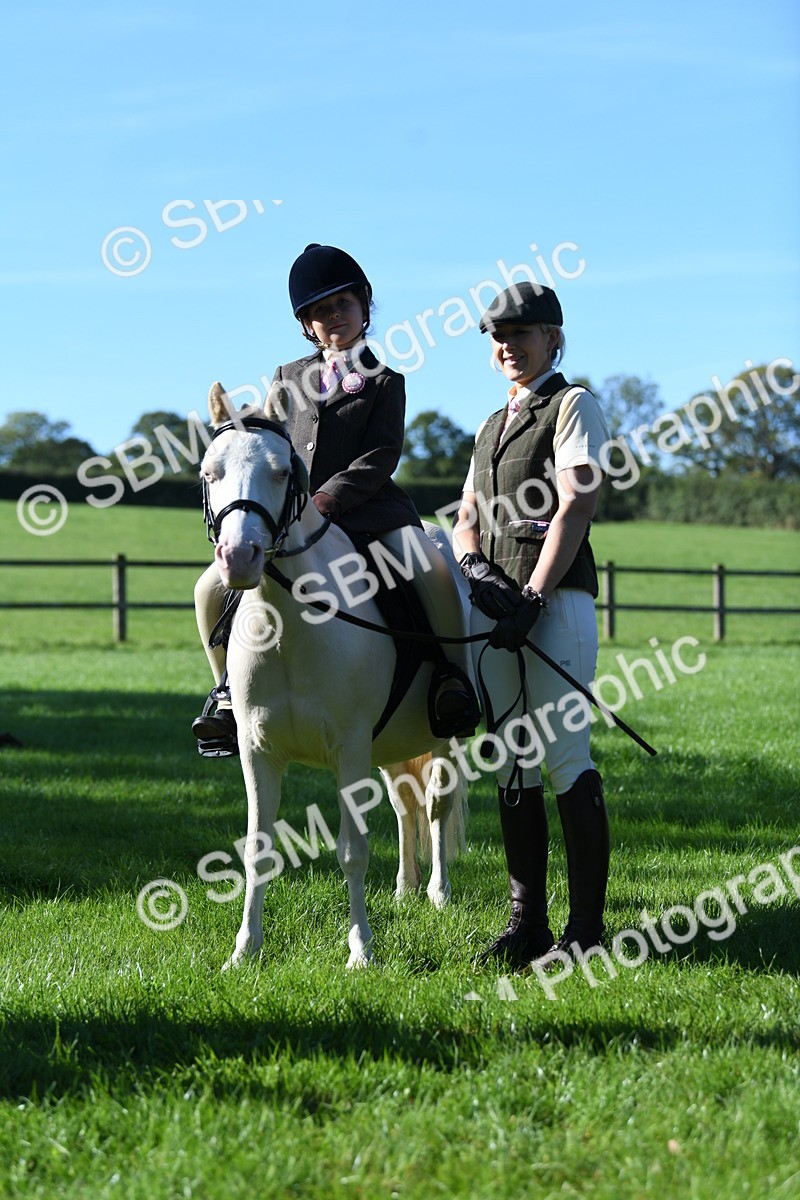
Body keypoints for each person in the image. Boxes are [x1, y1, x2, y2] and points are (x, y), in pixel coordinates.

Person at [193, 243, 479, 755]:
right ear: (307, 325)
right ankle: (228, 694)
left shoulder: (386, 380)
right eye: (320, 313)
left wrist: (327, 498)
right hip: (293, 520)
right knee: (209, 587)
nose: (333, 319)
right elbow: (269, 444)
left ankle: (451, 679)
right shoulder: (286, 376)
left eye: (342, 305)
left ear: (364, 306)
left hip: (371, 511)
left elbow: (381, 454)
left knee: (431, 569)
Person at [451, 281, 611, 970]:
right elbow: (466, 519)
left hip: (556, 609)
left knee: (564, 757)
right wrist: (475, 571)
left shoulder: (573, 405)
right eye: (498, 337)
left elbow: (576, 502)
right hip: (495, 617)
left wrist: (534, 598)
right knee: (512, 763)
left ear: (553, 337)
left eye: (522, 333)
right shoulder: (489, 426)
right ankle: (528, 924)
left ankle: (586, 930)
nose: (508, 345)